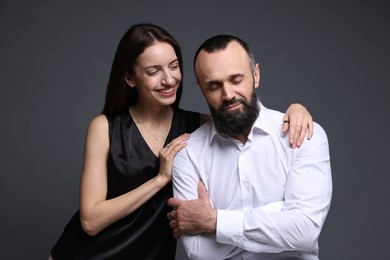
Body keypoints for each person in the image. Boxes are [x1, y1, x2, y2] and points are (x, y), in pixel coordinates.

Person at [49, 23, 314, 259]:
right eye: (153, 71)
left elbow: (243, 115)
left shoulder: (199, 126)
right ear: (130, 78)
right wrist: (159, 180)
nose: (168, 79)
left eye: (174, 67)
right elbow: (91, 220)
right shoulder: (104, 127)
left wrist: (297, 108)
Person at [167, 34, 332, 260]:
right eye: (214, 85)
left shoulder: (305, 135)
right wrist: (281, 214)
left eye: (236, 79)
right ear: (202, 88)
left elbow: (304, 231)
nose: (228, 94)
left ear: (256, 75)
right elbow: (199, 252)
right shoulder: (187, 154)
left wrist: (213, 221)